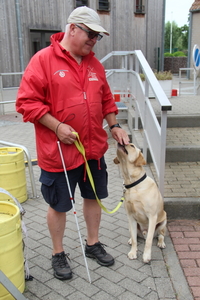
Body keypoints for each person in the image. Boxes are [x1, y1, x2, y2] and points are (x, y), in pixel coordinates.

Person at [16, 6, 130, 281]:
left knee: (93, 197)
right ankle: (58, 253)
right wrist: (57, 126)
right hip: (58, 153)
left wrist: (114, 126)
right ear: (72, 28)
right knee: (59, 205)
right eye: (90, 34)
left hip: (93, 149)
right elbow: (26, 102)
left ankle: (93, 244)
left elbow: (105, 100)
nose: (94, 40)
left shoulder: (95, 64)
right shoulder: (43, 60)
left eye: (98, 37)